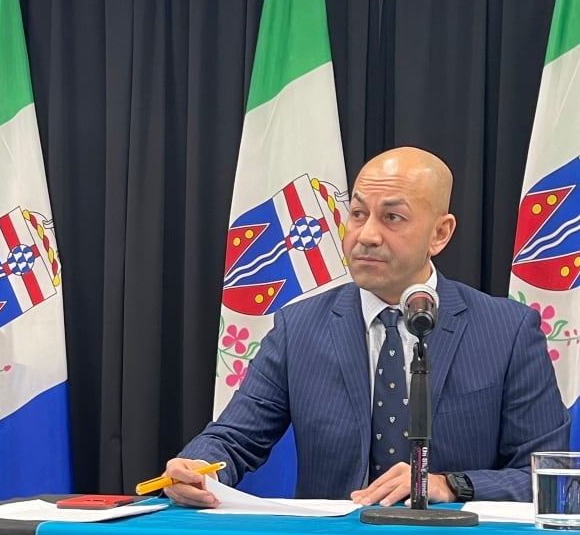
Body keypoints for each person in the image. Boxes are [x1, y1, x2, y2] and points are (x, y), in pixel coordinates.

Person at [163, 146, 569, 508]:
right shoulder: (298, 327)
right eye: (357, 214)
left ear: (440, 234)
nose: (366, 235)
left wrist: (451, 484)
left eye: (392, 217)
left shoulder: (507, 330)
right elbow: (233, 438)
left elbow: (548, 478)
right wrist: (199, 468)